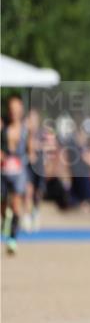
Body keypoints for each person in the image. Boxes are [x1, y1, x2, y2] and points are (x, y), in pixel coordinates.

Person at [1, 96, 29, 254]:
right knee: (3, 203)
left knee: (16, 204)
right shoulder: (2, 127)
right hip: (3, 170)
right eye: (11, 109)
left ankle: (12, 239)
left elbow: (30, 148)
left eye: (16, 109)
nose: (13, 112)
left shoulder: (25, 129)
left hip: (19, 171)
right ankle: (5, 220)